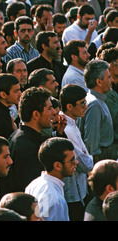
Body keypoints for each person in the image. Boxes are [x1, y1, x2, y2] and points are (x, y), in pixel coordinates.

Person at [0, 87, 55, 199]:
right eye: (49, 109)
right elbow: (34, 192)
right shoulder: (27, 147)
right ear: (36, 114)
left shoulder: (19, 136)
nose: (53, 112)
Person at [59, 84, 94, 221]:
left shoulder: (72, 123)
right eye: (82, 103)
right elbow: (85, 164)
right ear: (69, 106)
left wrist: (87, 156)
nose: (86, 106)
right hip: (74, 193)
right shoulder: (68, 129)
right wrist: (89, 157)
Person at [25, 137, 77, 221]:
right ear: (57, 166)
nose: (76, 162)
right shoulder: (55, 200)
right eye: (72, 160)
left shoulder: (35, 184)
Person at [78, 60, 115, 162]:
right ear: (99, 82)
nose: (112, 80)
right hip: (101, 158)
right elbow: (91, 143)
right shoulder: (95, 104)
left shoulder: (97, 100)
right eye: (108, 77)